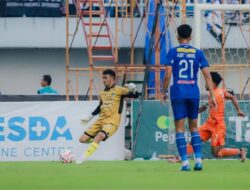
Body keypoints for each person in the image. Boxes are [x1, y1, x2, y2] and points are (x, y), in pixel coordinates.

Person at [161, 24, 216, 171]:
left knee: (179, 128)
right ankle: (198, 161)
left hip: (178, 92)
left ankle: (185, 163)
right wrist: (212, 94)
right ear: (190, 37)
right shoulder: (198, 53)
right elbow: (207, 76)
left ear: (178, 37)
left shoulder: (172, 52)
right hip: (193, 93)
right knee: (194, 128)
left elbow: (167, 75)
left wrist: (163, 91)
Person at [76, 69, 139, 163]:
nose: (103, 80)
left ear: (112, 79)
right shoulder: (102, 93)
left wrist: (134, 89)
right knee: (82, 139)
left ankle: (83, 157)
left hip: (112, 122)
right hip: (101, 120)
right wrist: (89, 117)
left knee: (100, 135)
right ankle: (94, 140)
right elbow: (100, 107)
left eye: (105, 78)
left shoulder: (119, 90)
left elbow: (135, 95)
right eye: (103, 78)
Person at [187, 72, 247, 161]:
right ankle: (181, 158)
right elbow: (205, 106)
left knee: (216, 153)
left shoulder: (220, 92)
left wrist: (239, 110)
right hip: (208, 124)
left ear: (212, 82)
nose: (205, 84)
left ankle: (240, 151)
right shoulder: (211, 93)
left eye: (207, 81)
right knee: (194, 140)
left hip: (217, 126)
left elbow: (232, 97)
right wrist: (193, 112)